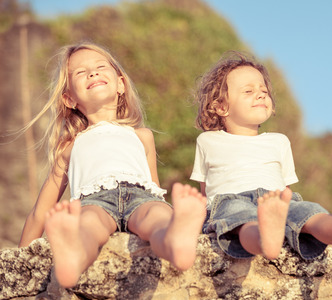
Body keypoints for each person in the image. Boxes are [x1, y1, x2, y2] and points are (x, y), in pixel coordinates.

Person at [18, 42, 207, 288]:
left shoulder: (142, 135)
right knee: (87, 226)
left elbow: (154, 187)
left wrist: (161, 207)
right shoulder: (69, 147)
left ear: (120, 84)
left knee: (159, 215)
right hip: (94, 201)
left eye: (99, 67)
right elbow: (40, 211)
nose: (92, 73)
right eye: (80, 73)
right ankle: (72, 258)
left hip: (142, 196)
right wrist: (18, 258)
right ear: (69, 99)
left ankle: (175, 242)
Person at [190, 51, 332, 261]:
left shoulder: (279, 141)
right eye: (248, 91)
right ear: (220, 106)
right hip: (231, 200)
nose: (260, 94)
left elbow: (285, 189)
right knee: (243, 222)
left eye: (264, 90)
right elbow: (206, 194)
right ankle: (266, 237)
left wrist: (285, 207)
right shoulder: (208, 141)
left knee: (311, 214)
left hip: (276, 200)